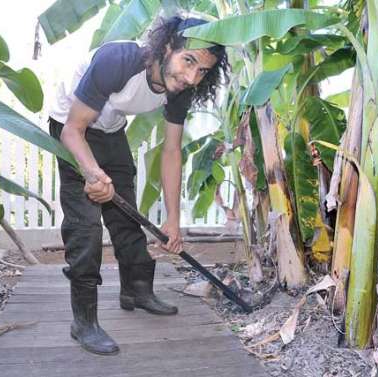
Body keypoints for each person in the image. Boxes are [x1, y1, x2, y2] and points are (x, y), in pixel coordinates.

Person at [47, 16, 229, 356]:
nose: (191, 77)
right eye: (188, 60)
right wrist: (92, 174)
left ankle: (137, 291)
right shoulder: (118, 61)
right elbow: (74, 129)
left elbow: (172, 151)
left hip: (110, 131)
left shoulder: (180, 89)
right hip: (70, 130)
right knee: (85, 228)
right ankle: (83, 321)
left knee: (126, 216)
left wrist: (173, 218)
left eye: (202, 71)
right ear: (168, 46)